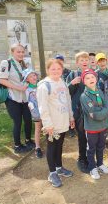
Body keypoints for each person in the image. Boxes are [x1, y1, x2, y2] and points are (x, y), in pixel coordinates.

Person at [37, 58, 75, 188]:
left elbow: (68, 100)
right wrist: (48, 125)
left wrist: (71, 117)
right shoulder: (44, 85)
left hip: (63, 122)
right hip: (52, 125)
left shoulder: (63, 82)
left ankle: (59, 168)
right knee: (52, 148)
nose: (56, 71)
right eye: (53, 69)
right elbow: (42, 107)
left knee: (59, 146)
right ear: (47, 70)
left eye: (59, 69)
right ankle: (52, 173)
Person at [0, 44, 34, 153]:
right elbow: (2, 80)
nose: (21, 54)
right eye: (18, 52)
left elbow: (28, 79)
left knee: (28, 119)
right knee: (17, 122)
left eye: (22, 52)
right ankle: (17, 145)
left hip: (25, 98)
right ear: (12, 52)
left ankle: (28, 140)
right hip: (13, 98)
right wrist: (19, 88)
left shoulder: (24, 64)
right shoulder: (6, 63)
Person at [80, 69, 108, 179]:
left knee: (101, 146)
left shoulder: (100, 92)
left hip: (103, 126)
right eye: (87, 78)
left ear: (96, 78)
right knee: (91, 148)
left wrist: (101, 110)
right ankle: (92, 167)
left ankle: (100, 164)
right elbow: (93, 113)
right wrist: (103, 110)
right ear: (84, 81)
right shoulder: (84, 96)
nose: (91, 79)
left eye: (92, 77)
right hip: (92, 128)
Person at [66, 51, 90, 173]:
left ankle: (90, 158)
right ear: (77, 63)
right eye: (82, 60)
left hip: (91, 111)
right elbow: (66, 92)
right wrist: (72, 83)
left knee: (91, 136)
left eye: (86, 59)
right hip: (78, 111)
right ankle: (82, 158)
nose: (84, 62)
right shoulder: (73, 74)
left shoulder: (93, 74)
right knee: (81, 136)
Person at [23, 68, 43, 158]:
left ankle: (51, 144)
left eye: (34, 75)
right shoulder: (26, 89)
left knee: (48, 127)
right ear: (27, 79)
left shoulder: (41, 85)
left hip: (45, 110)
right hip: (36, 112)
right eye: (30, 76)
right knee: (38, 128)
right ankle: (37, 147)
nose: (33, 77)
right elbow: (27, 101)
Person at [55, 54, 75, 137]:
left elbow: (70, 85)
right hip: (58, 96)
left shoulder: (69, 72)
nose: (59, 61)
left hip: (67, 95)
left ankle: (71, 129)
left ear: (63, 62)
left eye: (61, 60)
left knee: (69, 112)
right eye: (57, 60)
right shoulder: (55, 72)